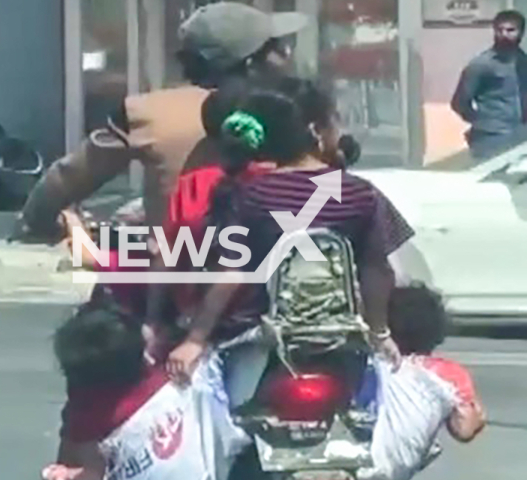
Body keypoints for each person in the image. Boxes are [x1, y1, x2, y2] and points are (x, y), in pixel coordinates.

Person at [148, 80, 415, 407]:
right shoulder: (360, 192)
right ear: (317, 131)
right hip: (339, 339)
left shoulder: (249, 194)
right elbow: (377, 272)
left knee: (221, 423)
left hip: (258, 338)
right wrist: (380, 334)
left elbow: (231, 273)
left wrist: (195, 339)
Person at [11, 2, 309, 244]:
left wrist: (38, 222)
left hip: (177, 277)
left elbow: (66, 179)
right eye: (276, 47)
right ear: (248, 62)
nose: (286, 53)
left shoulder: (148, 113)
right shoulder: (296, 109)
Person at [42, 303, 248, 480]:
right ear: (144, 354)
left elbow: (75, 463)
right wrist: (196, 339)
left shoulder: (86, 411)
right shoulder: (179, 369)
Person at [357, 283, 486, 480]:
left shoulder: (362, 361)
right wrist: (478, 420)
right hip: (393, 470)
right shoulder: (448, 374)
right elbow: (464, 430)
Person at [451, 10, 527, 160]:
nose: (504, 34)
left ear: (521, 32)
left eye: (510, 30)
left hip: (520, 136)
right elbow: (459, 102)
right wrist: (483, 122)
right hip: (490, 138)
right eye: (499, 30)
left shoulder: (523, 62)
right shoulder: (482, 64)